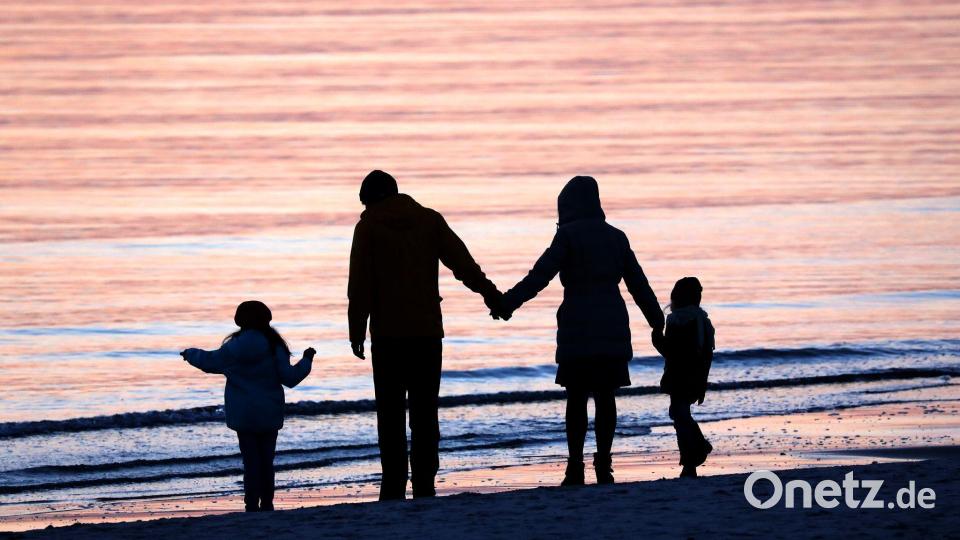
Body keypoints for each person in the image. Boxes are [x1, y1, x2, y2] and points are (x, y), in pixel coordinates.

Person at [493, 176, 664, 486]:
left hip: (577, 324)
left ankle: (574, 465)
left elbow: (539, 276)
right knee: (605, 396)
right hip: (612, 321)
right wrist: (657, 321)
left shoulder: (568, 236)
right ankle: (604, 463)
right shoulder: (617, 237)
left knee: (576, 397)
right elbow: (639, 284)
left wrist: (508, 303)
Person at [348, 170, 503, 500]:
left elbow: (359, 283)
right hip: (426, 332)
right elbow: (463, 264)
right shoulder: (429, 220)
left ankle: (393, 480)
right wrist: (490, 293)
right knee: (424, 411)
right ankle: (424, 479)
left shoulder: (369, 226)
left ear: (371, 198)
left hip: (388, 334)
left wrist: (356, 328)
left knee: (390, 413)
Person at [181, 300, 314, 511]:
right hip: (269, 412)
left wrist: (190, 354)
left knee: (251, 461)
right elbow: (290, 378)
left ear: (239, 320)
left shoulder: (234, 347)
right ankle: (267, 502)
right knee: (266, 461)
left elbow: (210, 361)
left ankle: (251, 503)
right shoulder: (274, 345)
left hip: (243, 414)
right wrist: (307, 360)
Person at [651, 277, 715, 478]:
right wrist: (703, 382)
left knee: (679, 415)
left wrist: (657, 341)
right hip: (692, 375)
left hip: (680, 375)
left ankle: (695, 452)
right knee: (679, 415)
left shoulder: (678, 321)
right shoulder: (701, 321)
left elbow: (672, 352)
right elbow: (706, 355)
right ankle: (690, 460)